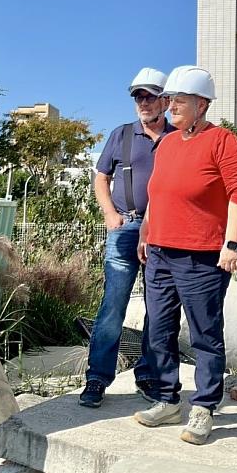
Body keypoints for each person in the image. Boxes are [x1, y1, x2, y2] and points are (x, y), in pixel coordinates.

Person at [133, 65, 237, 445]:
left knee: (204, 334)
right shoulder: (167, 143)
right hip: (161, 252)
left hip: (201, 256)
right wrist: (146, 232)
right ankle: (167, 398)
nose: (170, 108)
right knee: (159, 330)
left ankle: (203, 406)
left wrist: (232, 244)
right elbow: (158, 191)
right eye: (168, 101)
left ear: (202, 104)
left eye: (178, 101)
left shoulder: (223, 141)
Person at [79, 68, 175, 408]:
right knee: (112, 306)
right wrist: (109, 214)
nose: (143, 102)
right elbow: (100, 177)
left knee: (159, 308)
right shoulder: (122, 135)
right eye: (138, 96)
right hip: (126, 229)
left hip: (164, 234)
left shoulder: (178, 137)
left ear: (166, 99)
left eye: (150, 96)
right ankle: (97, 378)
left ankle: (147, 374)